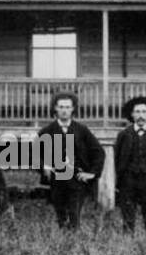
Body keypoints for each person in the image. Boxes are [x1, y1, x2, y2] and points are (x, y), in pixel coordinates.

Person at [39, 92, 104, 230]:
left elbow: (98, 152)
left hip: (76, 179)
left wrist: (92, 173)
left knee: (74, 214)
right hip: (56, 179)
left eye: (68, 107)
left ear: (73, 109)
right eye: (61, 107)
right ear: (55, 108)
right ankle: (64, 244)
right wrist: (43, 166)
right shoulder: (46, 131)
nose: (64, 110)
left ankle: (74, 241)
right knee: (61, 215)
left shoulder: (82, 130)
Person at [115, 96, 146, 234]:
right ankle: (127, 244)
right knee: (128, 215)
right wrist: (123, 176)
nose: (140, 115)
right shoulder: (123, 135)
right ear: (132, 114)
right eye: (137, 112)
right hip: (128, 180)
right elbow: (117, 158)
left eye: (144, 112)